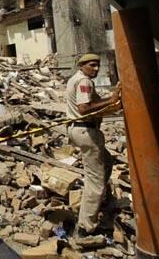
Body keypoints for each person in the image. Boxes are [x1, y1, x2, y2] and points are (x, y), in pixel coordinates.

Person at [66, 53, 121, 237]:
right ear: (82, 65)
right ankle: (85, 227)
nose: (96, 69)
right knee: (95, 179)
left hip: (79, 129)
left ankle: (100, 200)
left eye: (98, 65)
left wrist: (111, 102)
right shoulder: (84, 81)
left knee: (106, 162)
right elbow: (84, 108)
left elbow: (93, 104)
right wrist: (111, 101)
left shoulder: (77, 79)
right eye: (92, 65)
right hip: (86, 131)